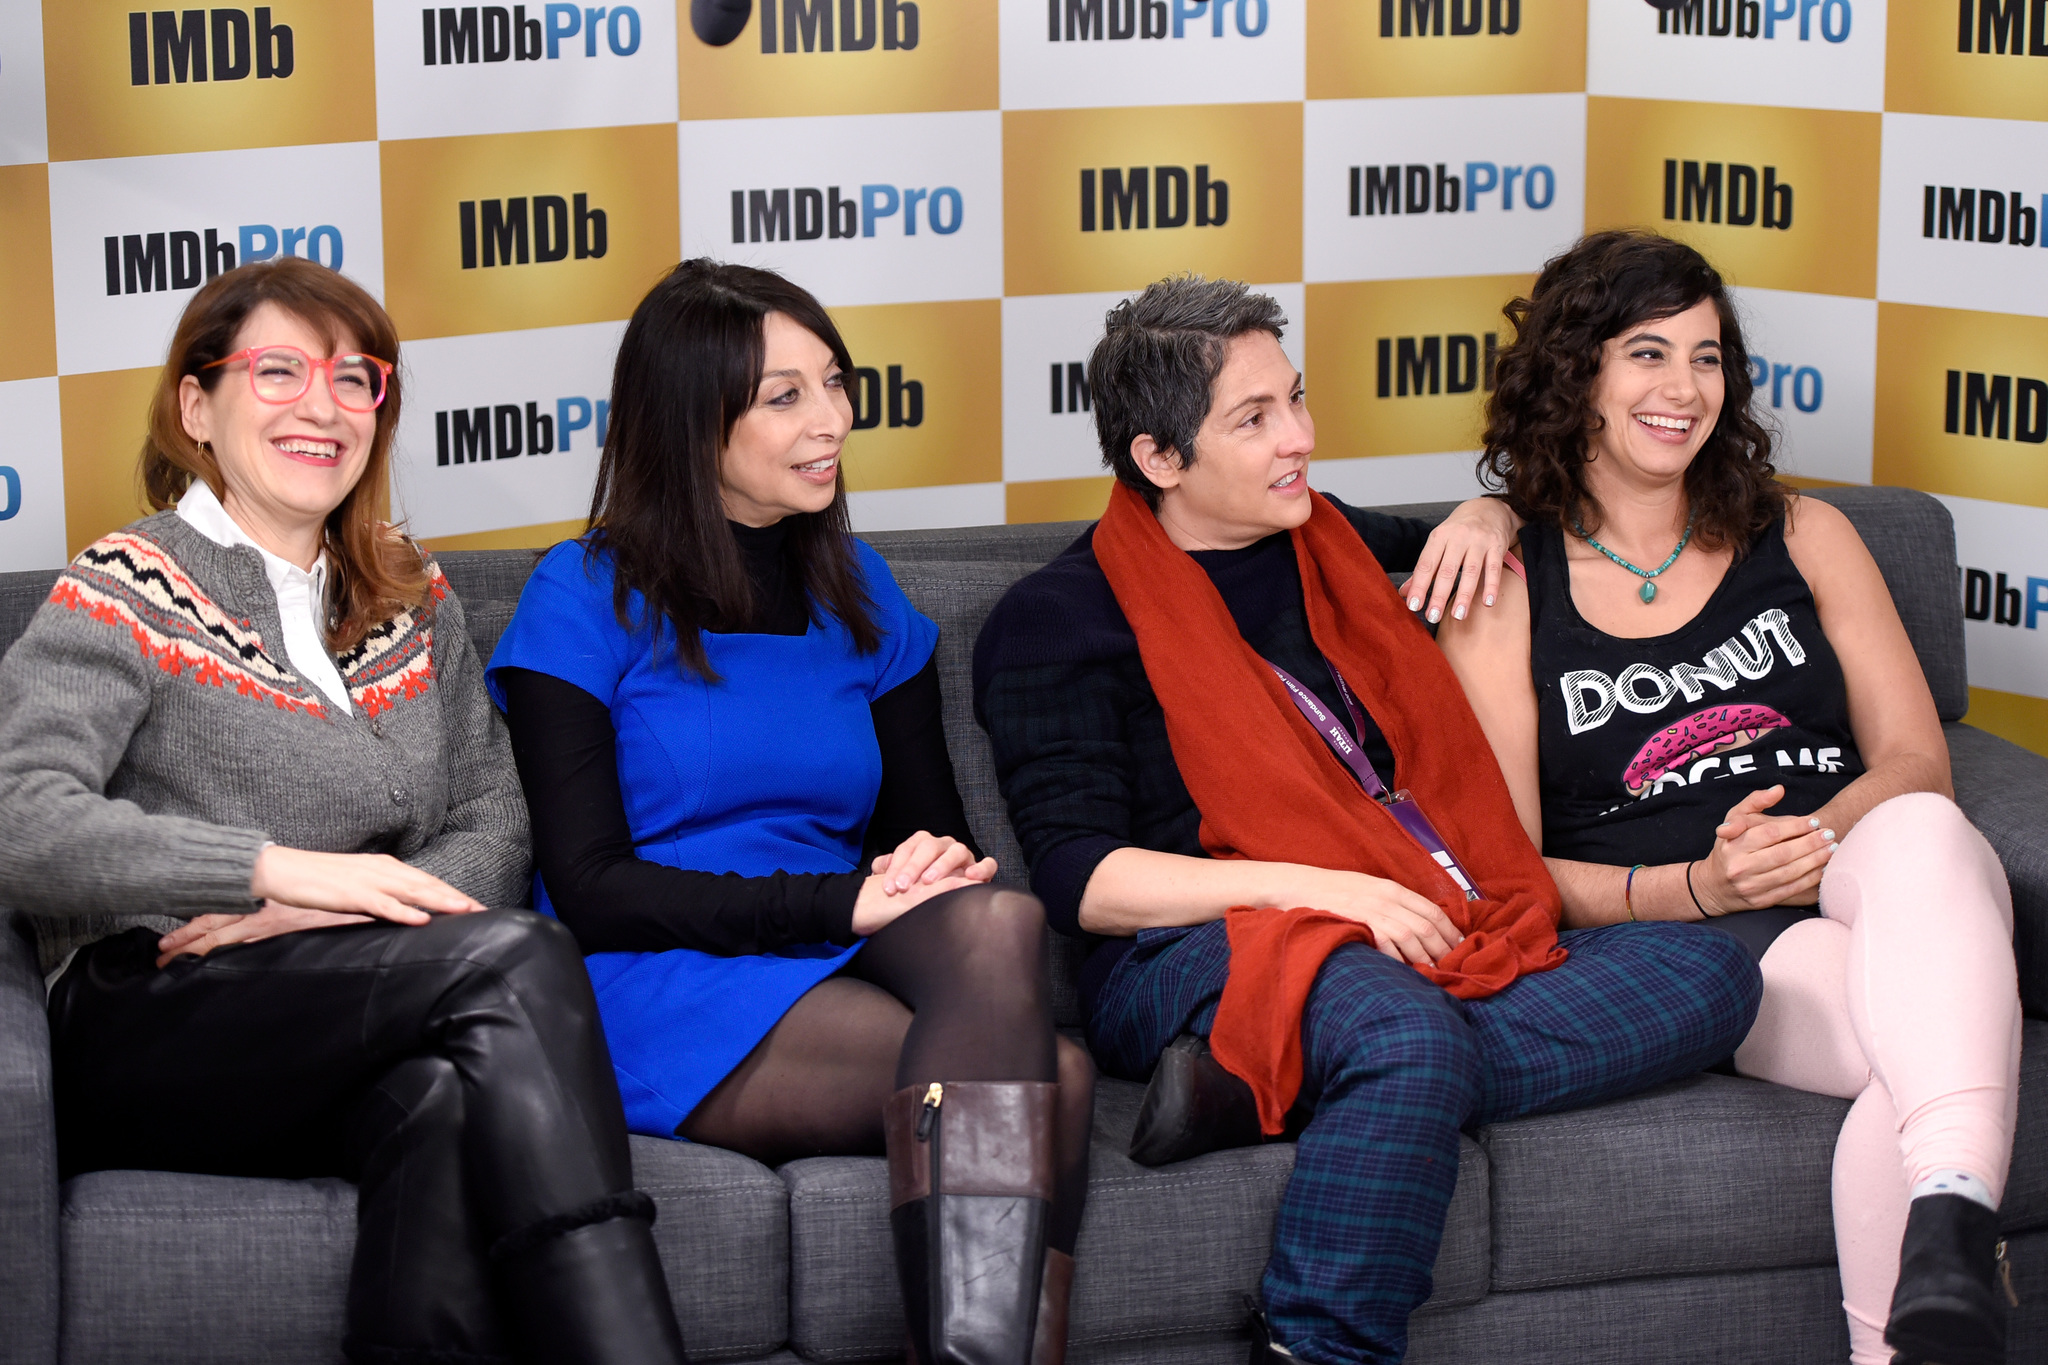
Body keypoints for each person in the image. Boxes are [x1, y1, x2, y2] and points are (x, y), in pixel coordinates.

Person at [972, 273, 1763, 1365]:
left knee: (1711, 978)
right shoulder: (1054, 619)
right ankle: (1317, 1345)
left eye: (1293, 398)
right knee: (1402, 1035)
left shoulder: (1328, 537)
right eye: (1253, 421)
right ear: (1158, 458)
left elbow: (1494, 529)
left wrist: (1485, 510)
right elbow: (1082, 881)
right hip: (1193, 949)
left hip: (1425, 918)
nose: (1298, 437)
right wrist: (1329, 891)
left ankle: (1250, 1084)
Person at [0, 257, 688, 1364]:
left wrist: (335, 916)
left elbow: (496, 818)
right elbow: (21, 820)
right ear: (197, 407)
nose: (322, 406)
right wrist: (273, 871)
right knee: (516, 958)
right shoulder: (124, 584)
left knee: (444, 1106)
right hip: (152, 1009)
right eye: (278, 372)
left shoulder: (411, 598)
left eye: (354, 377)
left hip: (352, 1006)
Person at [1436, 229, 2023, 1365]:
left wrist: (1803, 840)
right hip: (1699, 938)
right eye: (1645, 354)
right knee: (1912, 1056)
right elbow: (1507, 869)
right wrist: (1700, 885)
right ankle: (1937, 1264)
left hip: (1863, 861)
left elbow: (1910, 760)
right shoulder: (1505, 582)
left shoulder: (1802, 532)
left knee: (1923, 826)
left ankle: (1951, 1209)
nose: (1681, 389)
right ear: (1576, 373)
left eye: (1706, 358)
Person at [486, 258, 1086, 1365]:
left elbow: (930, 837)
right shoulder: (583, 594)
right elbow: (592, 887)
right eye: (784, 396)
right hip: (651, 969)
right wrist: (841, 902)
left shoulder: (861, 596)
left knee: (1001, 927)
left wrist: (909, 878)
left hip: (823, 950)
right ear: (688, 422)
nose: (832, 421)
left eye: (834, 383)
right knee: (1059, 1080)